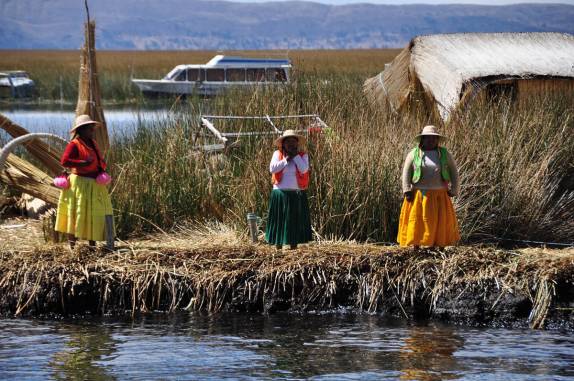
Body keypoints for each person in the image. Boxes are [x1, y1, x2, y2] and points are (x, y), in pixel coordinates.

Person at [55, 114, 113, 249]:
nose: (92, 131)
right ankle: (72, 246)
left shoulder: (93, 143)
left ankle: (92, 246)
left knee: (92, 214)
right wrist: (82, 163)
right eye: (90, 129)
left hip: (94, 184)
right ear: (81, 130)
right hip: (79, 184)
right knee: (76, 213)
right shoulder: (74, 145)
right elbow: (64, 161)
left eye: (93, 129)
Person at [397, 125, 460, 247]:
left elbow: (454, 172)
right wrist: (406, 190)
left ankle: (438, 244)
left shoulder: (445, 154)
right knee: (418, 221)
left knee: (438, 221)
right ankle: (417, 244)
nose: (431, 141)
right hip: (419, 196)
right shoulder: (414, 154)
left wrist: (454, 190)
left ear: (437, 140)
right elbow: (406, 172)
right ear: (422, 139)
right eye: (427, 138)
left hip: (439, 196)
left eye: (434, 138)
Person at [265, 129, 312, 250]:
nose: (291, 144)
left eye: (293, 141)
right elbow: (273, 169)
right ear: (283, 144)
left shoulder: (303, 156)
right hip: (280, 194)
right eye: (288, 142)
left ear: (297, 143)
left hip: (296, 194)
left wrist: (295, 156)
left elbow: (303, 169)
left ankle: (294, 247)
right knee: (279, 221)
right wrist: (286, 159)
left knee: (294, 222)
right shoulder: (277, 154)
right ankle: (278, 247)